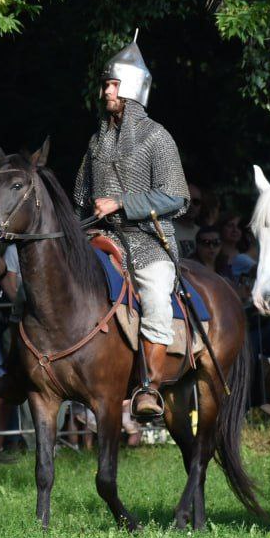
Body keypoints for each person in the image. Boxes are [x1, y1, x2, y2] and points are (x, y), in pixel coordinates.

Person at [73, 36, 189, 420]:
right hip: (101, 239)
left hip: (146, 242)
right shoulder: (96, 143)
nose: (106, 90)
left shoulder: (157, 138)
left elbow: (176, 197)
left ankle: (149, 388)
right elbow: (80, 198)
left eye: (113, 84)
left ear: (133, 88)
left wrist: (123, 203)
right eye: (106, 84)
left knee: (156, 298)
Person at [174, 183, 204, 259]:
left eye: (196, 202)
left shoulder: (203, 232)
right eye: (186, 201)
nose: (191, 205)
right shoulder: (167, 232)